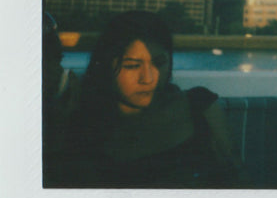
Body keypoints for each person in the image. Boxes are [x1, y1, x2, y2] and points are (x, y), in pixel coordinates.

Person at [43, 10, 245, 188]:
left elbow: (237, 182)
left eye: (159, 63)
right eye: (132, 65)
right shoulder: (81, 123)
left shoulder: (200, 107)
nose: (148, 78)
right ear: (104, 66)